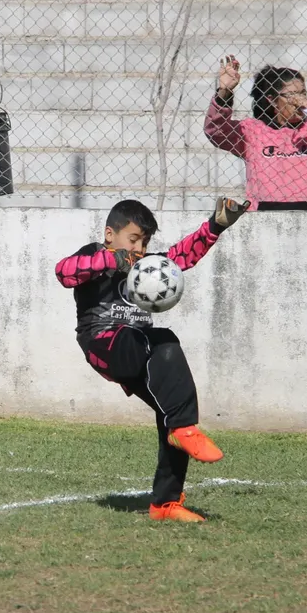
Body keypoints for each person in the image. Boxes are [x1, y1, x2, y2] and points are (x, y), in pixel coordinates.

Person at [55, 196, 250, 523]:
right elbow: (64, 273)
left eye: (144, 242)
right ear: (109, 234)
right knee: (147, 338)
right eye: (133, 240)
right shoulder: (93, 255)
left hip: (140, 349)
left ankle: (166, 501)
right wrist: (110, 260)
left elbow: (181, 256)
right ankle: (181, 430)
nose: (140, 249)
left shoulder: (146, 262)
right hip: (104, 344)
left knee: (170, 394)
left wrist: (216, 225)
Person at [205, 57, 307, 211]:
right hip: (264, 218)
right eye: (291, 95)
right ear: (272, 100)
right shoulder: (253, 131)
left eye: (303, 94)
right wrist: (224, 92)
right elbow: (217, 132)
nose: (299, 101)